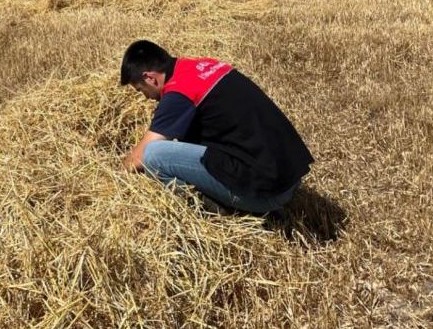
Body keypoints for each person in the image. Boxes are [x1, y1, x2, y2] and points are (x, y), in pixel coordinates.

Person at [119, 40, 313, 214]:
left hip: (267, 193)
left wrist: (117, 176)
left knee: (155, 155)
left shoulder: (179, 91)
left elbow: (139, 158)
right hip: (289, 177)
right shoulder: (204, 66)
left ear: (150, 78)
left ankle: (213, 214)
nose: (146, 97)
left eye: (140, 89)